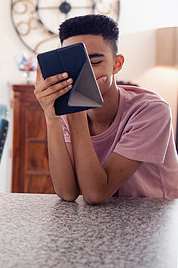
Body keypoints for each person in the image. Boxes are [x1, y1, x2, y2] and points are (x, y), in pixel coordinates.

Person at [34, 14, 178, 204]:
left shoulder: (151, 111)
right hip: (105, 219)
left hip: (153, 216)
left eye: (94, 63)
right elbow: (67, 192)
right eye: (75, 65)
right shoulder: (67, 111)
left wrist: (76, 112)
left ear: (116, 64)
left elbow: (95, 195)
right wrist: (51, 118)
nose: (84, 74)